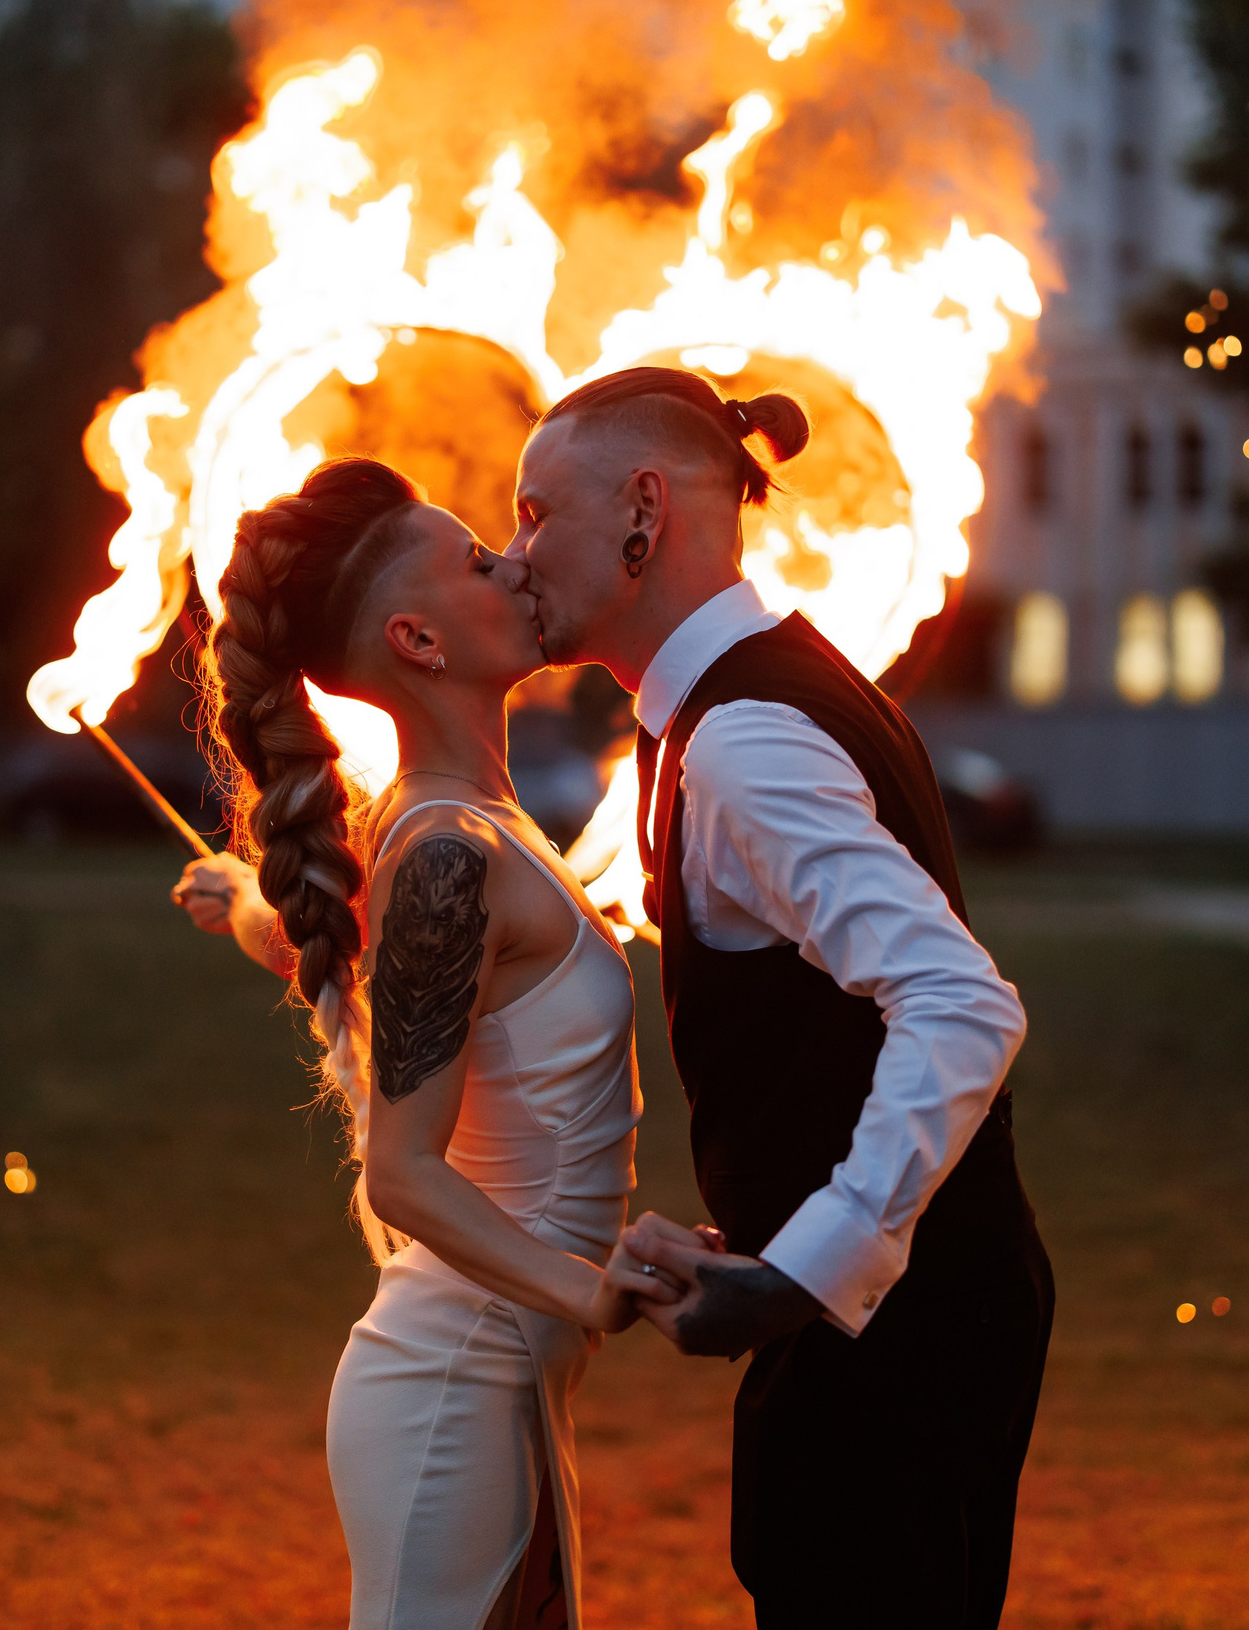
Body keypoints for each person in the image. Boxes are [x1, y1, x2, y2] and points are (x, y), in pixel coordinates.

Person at [504, 367, 1054, 1627]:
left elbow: (960, 1003)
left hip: (897, 1337)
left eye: (536, 513)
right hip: (909, 1315)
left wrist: (804, 1267)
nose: (514, 552)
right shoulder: (749, 700)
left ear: (643, 511)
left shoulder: (744, 739)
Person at [169, 456, 657, 1630]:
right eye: (480, 561)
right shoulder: (443, 852)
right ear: (418, 640)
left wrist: (245, 903)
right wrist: (596, 1292)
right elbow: (402, 1172)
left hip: (509, 1369)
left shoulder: (464, 829)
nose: (517, 563)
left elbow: (336, 947)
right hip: (456, 1381)